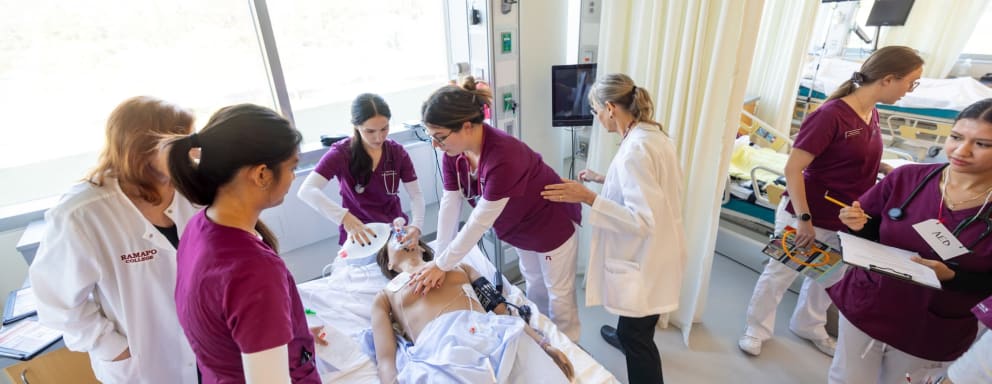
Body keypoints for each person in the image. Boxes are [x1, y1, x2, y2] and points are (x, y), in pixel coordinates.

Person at [738, 46, 924, 357]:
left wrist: (881, 167)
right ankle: (756, 329)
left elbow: (846, 154)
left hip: (847, 214)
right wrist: (803, 220)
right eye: (911, 82)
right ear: (888, 79)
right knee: (780, 273)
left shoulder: (871, 112)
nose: (911, 90)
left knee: (829, 276)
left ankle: (807, 325)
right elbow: (793, 168)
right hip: (808, 210)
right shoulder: (830, 115)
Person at [28, 96, 199, 384]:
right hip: (145, 366)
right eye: (181, 143)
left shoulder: (192, 190)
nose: (193, 152)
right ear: (142, 149)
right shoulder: (81, 214)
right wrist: (115, 349)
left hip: (210, 351)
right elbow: (56, 304)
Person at [831, 98, 992, 383]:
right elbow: (871, 230)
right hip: (869, 305)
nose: (962, 151)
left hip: (931, 330)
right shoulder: (907, 178)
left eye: (982, 144)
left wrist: (952, 276)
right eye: (956, 137)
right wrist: (857, 224)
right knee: (846, 379)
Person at [409, 78, 583, 342]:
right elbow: (451, 201)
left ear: (466, 126)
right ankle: (544, 340)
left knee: (559, 296)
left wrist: (444, 264)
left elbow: (480, 221)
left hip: (550, 227)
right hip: (520, 229)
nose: (436, 144)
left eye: (440, 137)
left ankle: (571, 350)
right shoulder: (454, 153)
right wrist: (439, 258)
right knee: (534, 285)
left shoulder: (503, 156)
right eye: (431, 136)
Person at [541, 73, 686, 384]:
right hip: (663, 248)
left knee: (639, 338)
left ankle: (632, 347)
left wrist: (589, 197)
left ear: (610, 108)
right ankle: (623, 334)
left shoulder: (635, 149)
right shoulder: (651, 136)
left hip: (648, 254)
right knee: (634, 319)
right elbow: (650, 190)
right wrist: (604, 179)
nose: (596, 118)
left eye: (595, 111)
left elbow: (641, 219)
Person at [167, 104, 324, 383]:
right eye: (292, 167)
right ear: (262, 174)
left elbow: (228, 328)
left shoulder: (200, 226)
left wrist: (285, 340)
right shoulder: (253, 270)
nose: (292, 178)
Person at [370, 230, 575, 383]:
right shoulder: (385, 296)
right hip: (442, 355)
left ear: (422, 247)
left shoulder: (459, 266)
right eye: (392, 238)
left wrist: (543, 344)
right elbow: (386, 360)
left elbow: (500, 307)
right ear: (389, 264)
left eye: (404, 231)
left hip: (495, 335)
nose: (400, 235)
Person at [298, 93, 424, 249]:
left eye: (384, 129)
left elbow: (416, 194)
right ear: (356, 126)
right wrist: (344, 217)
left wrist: (416, 225)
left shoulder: (397, 153)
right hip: (360, 234)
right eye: (370, 131)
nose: (379, 138)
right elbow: (307, 190)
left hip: (393, 229)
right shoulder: (341, 153)